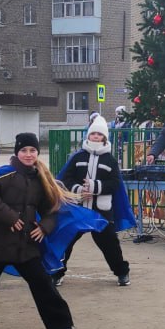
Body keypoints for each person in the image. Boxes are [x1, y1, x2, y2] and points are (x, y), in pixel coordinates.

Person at [0, 133, 80, 329]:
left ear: (37, 152)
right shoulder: (4, 175)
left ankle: (63, 325)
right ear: (16, 152)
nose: (28, 154)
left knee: (42, 283)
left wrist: (45, 227)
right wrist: (9, 217)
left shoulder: (40, 178)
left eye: (32, 150)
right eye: (23, 150)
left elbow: (52, 209)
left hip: (25, 245)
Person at [56, 115, 135, 287]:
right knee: (66, 240)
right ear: (88, 136)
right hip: (77, 208)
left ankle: (122, 272)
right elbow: (65, 179)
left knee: (110, 244)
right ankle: (57, 272)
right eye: (93, 134)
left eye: (99, 135)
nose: (96, 137)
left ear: (104, 137)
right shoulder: (77, 157)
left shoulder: (111, 160)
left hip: (101, 211)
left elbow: (114, 184)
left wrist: (94, 187)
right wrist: (78, 190)